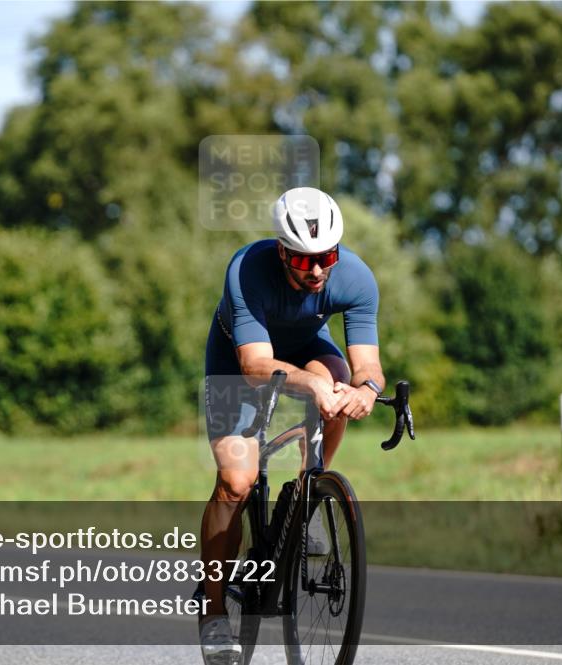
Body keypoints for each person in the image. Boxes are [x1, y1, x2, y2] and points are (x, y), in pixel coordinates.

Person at [199, 186, 384, 664]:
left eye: (326, 256)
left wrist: (362, 391)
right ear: (282, 251)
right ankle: (214, 609)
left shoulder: (356, 278)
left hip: (305, 347)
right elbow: (255, 364)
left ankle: (309, 491)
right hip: (239, 359)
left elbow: (367, 366)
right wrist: (310, 385)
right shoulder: (247, 270)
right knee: (236, 483)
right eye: (304, 261)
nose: (318, 269)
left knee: (337, 385)